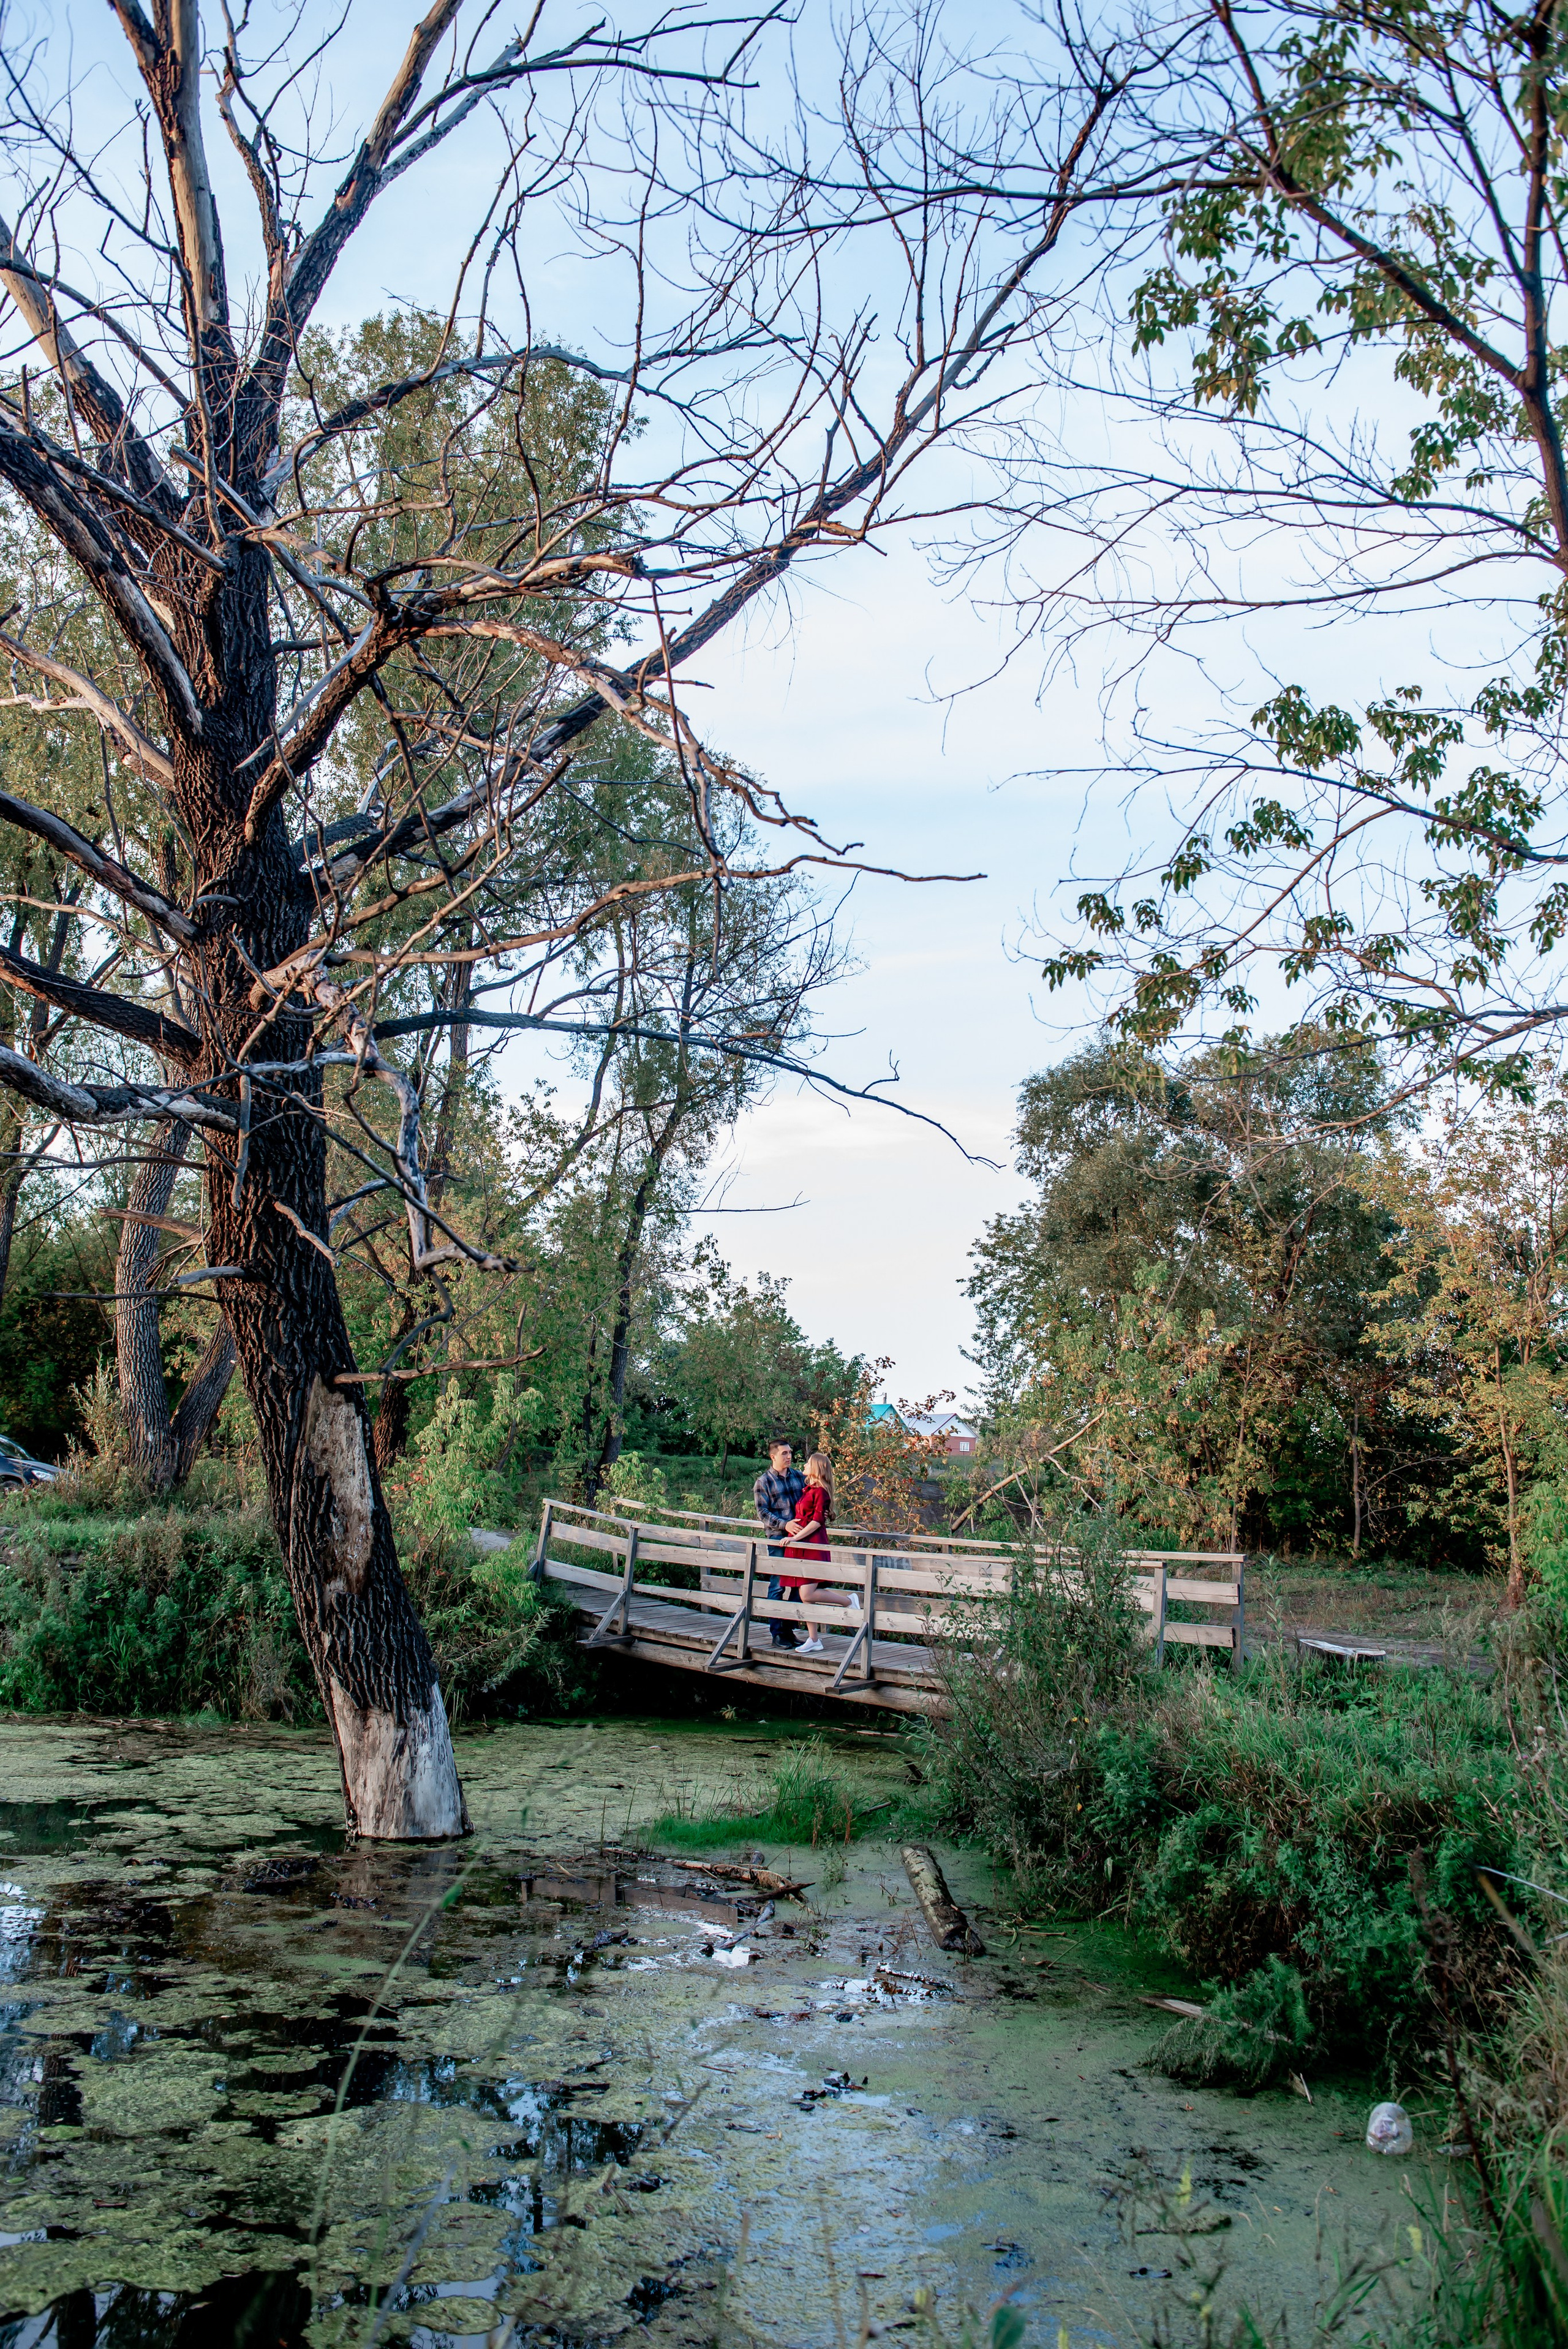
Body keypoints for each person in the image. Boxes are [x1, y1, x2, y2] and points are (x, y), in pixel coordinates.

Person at [780, 1452, 844, 1653]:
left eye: (808, 1463)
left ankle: (849, 1601)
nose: (804, 1465)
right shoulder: (809, 1488)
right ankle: (814, 1639)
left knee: (807, 1594)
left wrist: (794, 1538)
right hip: (802, 1547)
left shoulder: (821, 1492)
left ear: (816, 1467)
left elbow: (817, 1522)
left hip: (813, 1546)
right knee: (805, 1594)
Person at [753, 1438, 805, 1648]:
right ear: (773, 1456)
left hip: (801, 1538)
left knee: (801, 1584)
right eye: (784, 1453)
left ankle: (788, 1628)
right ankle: (776, 1632)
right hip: (778, 1539)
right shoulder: (763, 1482)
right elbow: (763, 1513)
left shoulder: (800, 1477)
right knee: (778, 1584)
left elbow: (810, 1501)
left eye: (790, 1452)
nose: (789, 1456)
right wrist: (785, 1525)